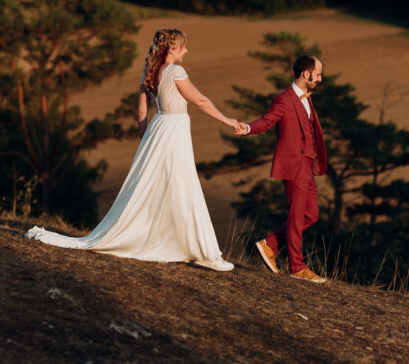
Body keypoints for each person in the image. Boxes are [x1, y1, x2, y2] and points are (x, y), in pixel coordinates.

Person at [26, 28, 237, 271]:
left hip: (157, 128)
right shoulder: (176, 71)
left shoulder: (149, 71)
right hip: (174, 129)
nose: (187, 51)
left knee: (159, 185)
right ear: (171, 50)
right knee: (182, 183)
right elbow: (200, 100)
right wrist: (227, 120)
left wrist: (146, 139)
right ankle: (205, 252)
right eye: (183, 47)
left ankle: (190, 246)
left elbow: (140, 112)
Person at [234, 54, 328, 282]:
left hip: (307, 164)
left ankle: (270, 244)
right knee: (296, 216)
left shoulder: (307, 98)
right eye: (318, 75)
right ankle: (297, 267)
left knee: (311, 215)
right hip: (294, 164)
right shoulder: (284, 99)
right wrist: (247, 128)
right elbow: (267, 121)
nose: (320, 79)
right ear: (306, 74)